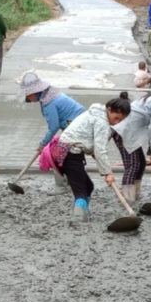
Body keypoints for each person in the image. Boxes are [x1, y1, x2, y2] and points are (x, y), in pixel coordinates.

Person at [49, 93, 131, 223]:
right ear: (109, 109)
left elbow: (91, 146)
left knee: (88, 186)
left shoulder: (94, 113)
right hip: (69, 153)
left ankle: (83, 214)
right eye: (116, 118)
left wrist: (101, 164)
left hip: (67, 151)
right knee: (81, 190)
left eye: (120, 121)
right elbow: (100, 149)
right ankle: (78, 219)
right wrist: (107, 173)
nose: (116, 122)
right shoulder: (101, 122)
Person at [21, 72, 86, 196]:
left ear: (35, 92)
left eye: (28, 94)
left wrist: (43, 144)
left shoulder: (49, 102)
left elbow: (53, 127)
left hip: (76, 126)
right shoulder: (48, 95)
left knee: (55, 153)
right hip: (74, 124)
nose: (27, 97)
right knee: (66, 155)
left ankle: (61, 186)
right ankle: (69, 182)